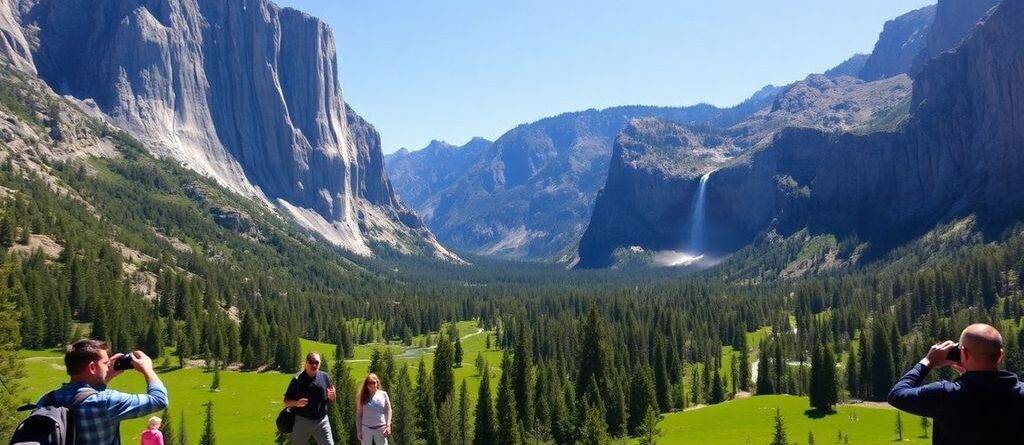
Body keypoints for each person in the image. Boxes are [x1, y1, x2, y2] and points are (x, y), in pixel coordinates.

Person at [888, 323, 1024, 443]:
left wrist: (928, 361)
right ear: (1001, 355)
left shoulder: (946, 395)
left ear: (963, 353)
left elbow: (897, 394)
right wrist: (967, 376)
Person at [38, 339, 169, 445]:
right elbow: (159, 400)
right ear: (92, 367)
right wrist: (148, 369)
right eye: (106, 363)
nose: (108, 367)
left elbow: (82, 397)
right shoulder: (106, 401)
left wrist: (105, 378)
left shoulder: (47, 400)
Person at [284, 352, 337, 445]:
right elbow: (286, 401)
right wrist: (297, 403)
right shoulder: (297, 379)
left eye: (316, 362)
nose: (314, 365)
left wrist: (333, 397)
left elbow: (330, 399)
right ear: (306, 363)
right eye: (311, 362)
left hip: (322, 421)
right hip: (302, 421)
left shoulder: (325, 377)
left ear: (320, 363)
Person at [355, 373, 392, 445]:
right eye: (369, 383)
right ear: (366, 384)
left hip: (381, 429)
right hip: (366, 429)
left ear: (377, 383)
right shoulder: (362, 396)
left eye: (373, 382)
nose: (371, 385)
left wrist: (388, 426)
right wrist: (359, 430)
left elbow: (388, 410)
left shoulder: (383, 394)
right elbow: (359, 415)